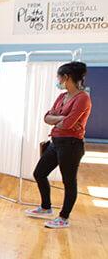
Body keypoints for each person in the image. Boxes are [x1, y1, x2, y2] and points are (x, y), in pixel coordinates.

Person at [26, 62, 91, 229]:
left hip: (71, 145)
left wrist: (59, 120)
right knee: (39, 173)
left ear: (66, 77)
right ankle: (46, 207)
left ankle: (64, 217)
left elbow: (68, 124)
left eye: (59, 77)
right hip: (56, 142)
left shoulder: (82, 98)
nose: (58, 80)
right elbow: (47, 117)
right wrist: (60, 119)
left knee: (69, 181)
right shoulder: (62, 97)